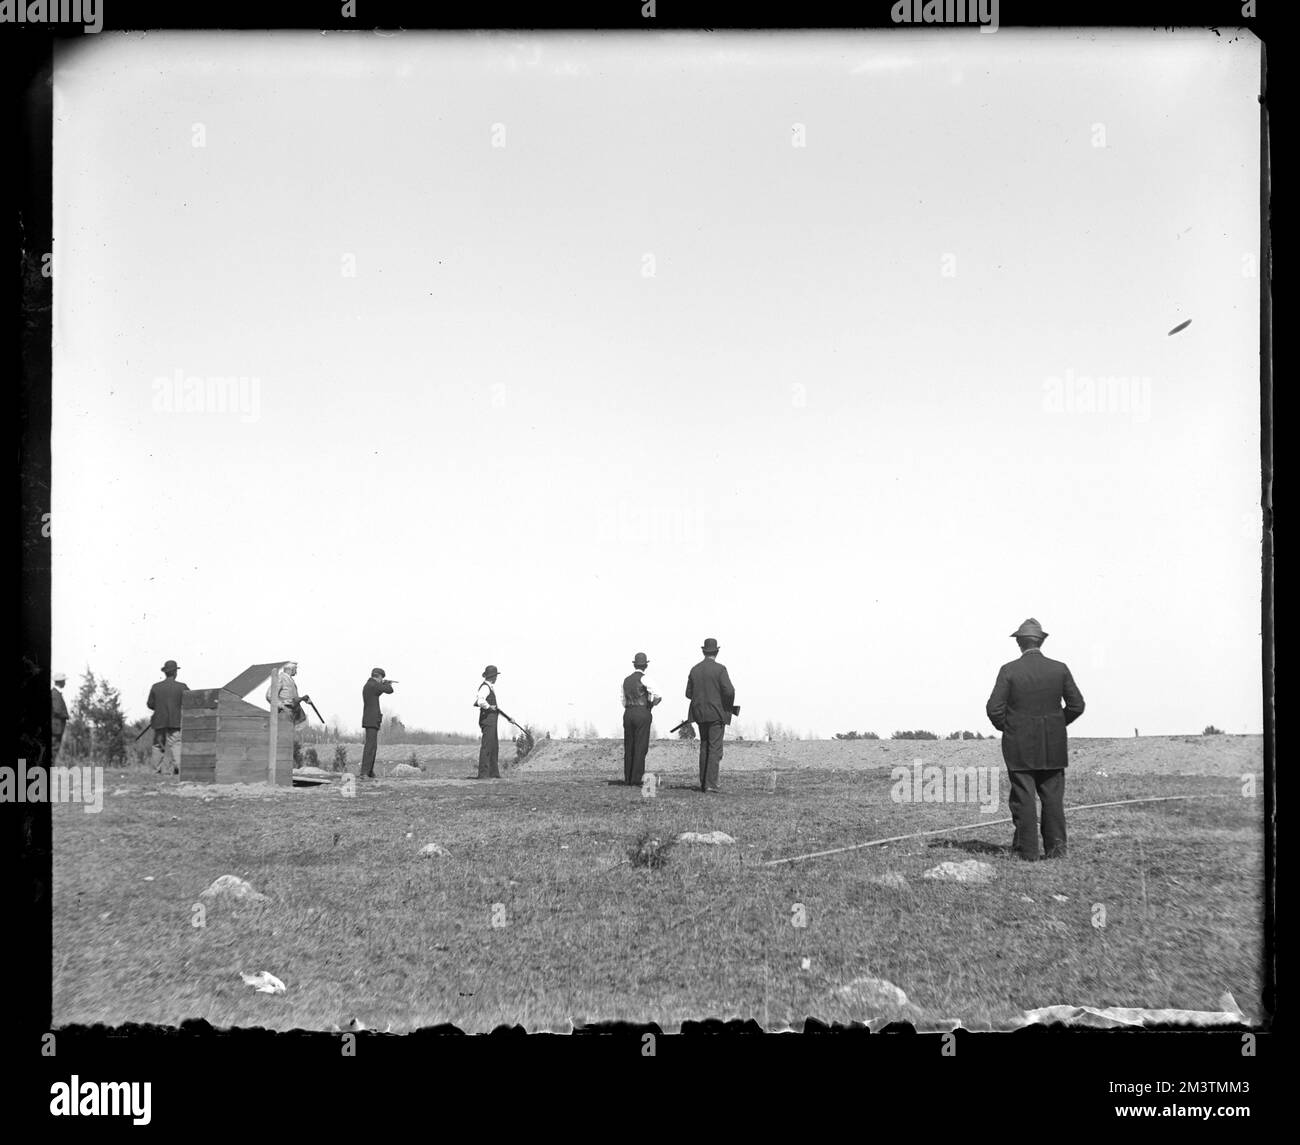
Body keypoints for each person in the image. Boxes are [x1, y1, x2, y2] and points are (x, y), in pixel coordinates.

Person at [985, 618, 1085, 861]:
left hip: (1018, 746)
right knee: (1053, 799)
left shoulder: (1009, 670)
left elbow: (993, 709)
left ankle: (1026, 853)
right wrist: (1057, 724)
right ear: (1041, 641)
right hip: (1053, 745)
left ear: (1019, 642)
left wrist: (1010, 728)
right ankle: (1057, 850)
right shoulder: (1059, 668)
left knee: (1023, 798)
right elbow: (1077, 705)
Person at [686, 637, 736, 793]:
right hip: (716, 714)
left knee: (704, 746)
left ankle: (703, 783)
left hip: (700, 715)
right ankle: (711, 784)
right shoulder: (720, 669)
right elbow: (730, 691)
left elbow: (688, 693)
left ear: (703, 651)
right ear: (717, 652)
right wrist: (724, 704)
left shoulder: (694, 670)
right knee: (715, 748)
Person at [621, 652, 662, 787]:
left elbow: (623, 700)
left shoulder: (626, 680)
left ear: (635, 665)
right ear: (645, 666)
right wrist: (651, 705)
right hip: (642, 712)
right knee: (641, 746)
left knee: (629, 746)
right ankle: (636, 778)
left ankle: (628, 778)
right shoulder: (646, 679)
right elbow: (658, 695)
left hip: (628, 712)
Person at [146, 659, 190, 775]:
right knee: (176, 744)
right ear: (175, 672)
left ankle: (156, 771)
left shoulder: (155, 687)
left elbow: (150, 704)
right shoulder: (182, 687)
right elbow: (190, 702)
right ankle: (180, 771)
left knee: (157, 746)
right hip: (175, 721)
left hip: (159, 721)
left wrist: (160, 709)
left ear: (165, 672)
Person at [360, 667, 395, 779]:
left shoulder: (370, 686)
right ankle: (364, 772)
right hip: (371, 720)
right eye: (381, 678)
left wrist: (384, 684)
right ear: (378, 676)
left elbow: (379, 691)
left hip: (371, 720)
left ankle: (369, 771)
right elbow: (389, 690)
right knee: (370, 747)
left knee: (373, 746)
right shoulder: (372, 685)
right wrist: (387, 684)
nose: (381, 680)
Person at [474, 665, 504, 779]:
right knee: (487, 746)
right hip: (487, 720)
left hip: (491, 720)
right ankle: (483, 774)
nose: (496, 678)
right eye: (496, 676)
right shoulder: (485, 687)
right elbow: (480, 700)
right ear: (493, 676)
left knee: (493, 746)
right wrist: (489, 707)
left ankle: (493, 773)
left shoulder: (489, 687)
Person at [266, 660, 310, 727]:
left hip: (293, 714)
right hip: (284, 713)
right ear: (290, 669)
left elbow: (291, 698)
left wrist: (302, 698)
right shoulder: (281, 678)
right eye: (295, 669)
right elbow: (269, 695)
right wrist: (281, 705)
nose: (296, 672)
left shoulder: (290, 680)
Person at [51, 672, 69, 763]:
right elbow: (57, 710)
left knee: (54, 748)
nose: (65, 683)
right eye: (64, 681)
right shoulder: (55, 694)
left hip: (57, 726)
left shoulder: (55, 693)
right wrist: (66, 716)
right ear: (61, 682)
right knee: (54, 748)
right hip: (56, 727)